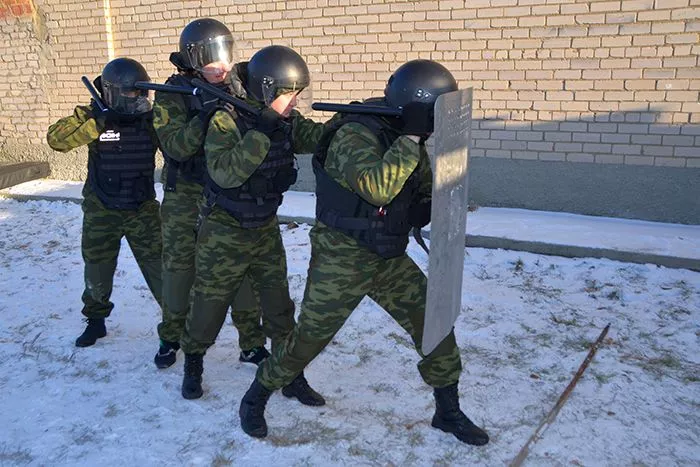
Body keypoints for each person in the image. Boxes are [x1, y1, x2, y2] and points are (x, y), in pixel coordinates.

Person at [238, 59, 490, 446]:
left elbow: (419, 186)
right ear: (417, 108)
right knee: (308, 339)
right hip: (343, 258)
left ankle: (447, 411)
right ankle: (256, 397)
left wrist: (429, 205)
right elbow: (377, 188)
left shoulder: (403, 134)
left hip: (388, 256)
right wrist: (410, 139)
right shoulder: (354, 134)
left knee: (435, 323)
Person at [178, 45, 331, 402]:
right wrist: (260, 132)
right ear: (266, 90)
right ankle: (193, 363)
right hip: (224, 229)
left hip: (264, 227)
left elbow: (317, 137)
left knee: (279, 308)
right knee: (208, 306)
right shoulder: (226, 119)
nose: (295, 103)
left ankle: (290, 374)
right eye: (289, 95)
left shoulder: (285, 121)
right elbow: (226, 173)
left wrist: (354, 123)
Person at [152, 18, 269, 369]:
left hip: (227, 194)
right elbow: (175, 147)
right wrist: (202, 118)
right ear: (192, 59)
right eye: (209, 57)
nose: (220, 65)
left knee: (239, 269)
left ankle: (251, 343)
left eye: (224, 54)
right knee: (179, 270)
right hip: (185, 196)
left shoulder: (238, 86)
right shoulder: (172, 94)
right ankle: (171, 337)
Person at [46, 58, 163, 348]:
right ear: (112, 92)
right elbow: (56, 140)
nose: (135, 98)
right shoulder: (92, 114)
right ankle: (96, 321)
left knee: (162, 269)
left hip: (142, 208)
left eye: (139, 92)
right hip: (102, 208)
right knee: (97, 268)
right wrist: (97, 122)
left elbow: (179, 147)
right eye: (129, 92)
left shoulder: (151, 119)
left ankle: (177, 321)